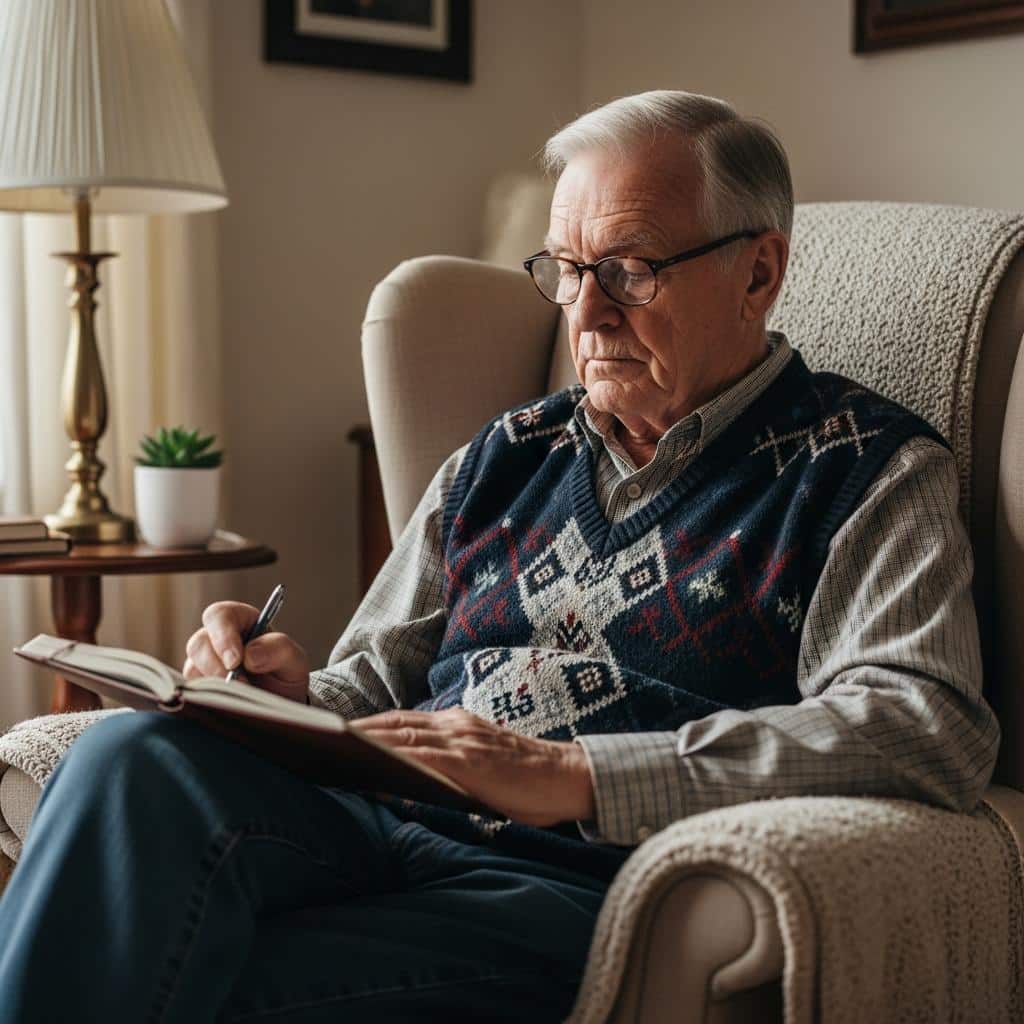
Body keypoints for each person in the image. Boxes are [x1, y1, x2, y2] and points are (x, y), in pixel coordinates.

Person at [0, 90, 999, 1021]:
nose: (586, 311)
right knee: (135, 754)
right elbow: (373, 681)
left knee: (203, 972)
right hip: (371, 821)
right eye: (566, 269)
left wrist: (577, 775)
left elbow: (920, 727)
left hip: (561, 883)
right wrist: (281, 692)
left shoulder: (864, 472)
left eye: (630, 267)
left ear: (759, 272)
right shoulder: (504, 453)